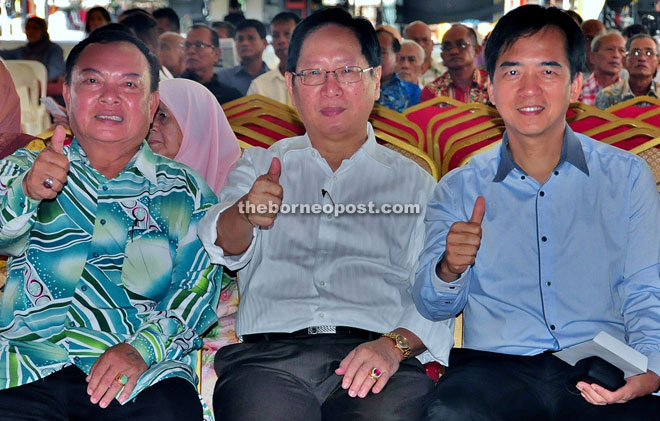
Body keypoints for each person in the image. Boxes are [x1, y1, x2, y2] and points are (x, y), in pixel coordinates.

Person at [198, 8, 453, 420]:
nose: (331, 88)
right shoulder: (258, 166)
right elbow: (221, 243)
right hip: (269, 360)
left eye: (348, 71)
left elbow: (433, 294)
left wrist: (393, 348)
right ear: (292, 87)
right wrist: (244, 212)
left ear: (374, 81)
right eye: (313, 73)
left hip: (376, 352)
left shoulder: (416, 183)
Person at [413, 5, 660, 420]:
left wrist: (652, 369)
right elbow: (432, 306)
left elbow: (646, 291)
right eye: (511, 72)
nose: (529, 89)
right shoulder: (459, 187)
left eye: (548, 71)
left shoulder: (627, 177)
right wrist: (448, 269)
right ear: (488, 88)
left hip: (603, 362)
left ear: (577, 85)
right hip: (493, 368)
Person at [0, 29, 221, 420]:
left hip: (139, 374)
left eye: (130, 84)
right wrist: (27, 194)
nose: (109, 95)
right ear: (67, 95)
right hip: (23, 365)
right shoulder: (25, 168)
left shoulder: (185, 191)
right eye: (92, 80)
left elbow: (196, 290)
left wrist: (144, 348)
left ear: (152, 103)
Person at [148, 78, 241, 194]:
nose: (151, 125)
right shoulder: (133, 178)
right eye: (148, 115)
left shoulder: (241, 182)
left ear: (193, 125)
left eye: (162, 116)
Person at [421, 24, 489, 104]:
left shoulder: (492, 85)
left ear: (477, 50)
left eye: (462, 45)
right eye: (447, 47)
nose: (454, 51)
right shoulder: (432, 92)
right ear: (442, 55)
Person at [0, 16, 65, 95]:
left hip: (49, 96)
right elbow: (4, 54)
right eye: (28, 28)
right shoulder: (23, 51)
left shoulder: (54, 50)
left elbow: (53, 73)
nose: (31, 31)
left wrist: (27, 78)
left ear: (43, 30)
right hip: (25, 93)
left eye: (35, 28)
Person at [246, 12, 300, 105]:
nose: (281, 40)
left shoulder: (317, 80)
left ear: (302, 37)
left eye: (287, 34)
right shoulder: (260, 86)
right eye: (275, 35)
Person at [182, 24, 242, 104]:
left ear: (216, 54)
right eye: (187, 45)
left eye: (199, 45)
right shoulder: (173, 90)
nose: (191, 51)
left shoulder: (231, 97)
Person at [595, 34, 660, 109]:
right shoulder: (607, 96)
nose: (642, 58)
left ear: (658, 62)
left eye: (649, 53)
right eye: (636, 53)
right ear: (624, 61)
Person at [217, 19, 270, 95]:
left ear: (264, 43)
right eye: (240, 39)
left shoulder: (274, 79)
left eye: (251, 38)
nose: (244, 43)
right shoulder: (223, 78)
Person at [375, 27, 421, 112]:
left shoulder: (412, 92)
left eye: (381, 52)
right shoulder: (355, 87)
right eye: (371, 52)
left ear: (396, 58)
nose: (374, 57)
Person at [578, 32, 625, 105]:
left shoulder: (630, 94)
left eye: (621, 50)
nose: (616, 55)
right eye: (610, 49)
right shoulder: (577, 92)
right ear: (592, 57)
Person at [403, 21, 446, 86]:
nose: (421, 44)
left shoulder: (446, 73)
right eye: (415, 41)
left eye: (425, 40)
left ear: (432, 44)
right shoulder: (397, 75)